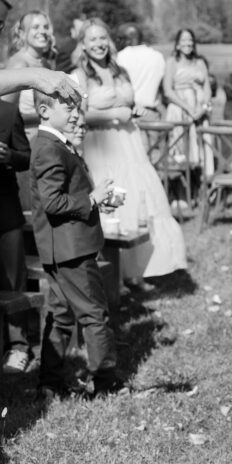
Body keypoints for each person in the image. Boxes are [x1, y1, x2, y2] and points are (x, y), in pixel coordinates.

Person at [74, 18, 187, 284]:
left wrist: (134, 110)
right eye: (93, 39)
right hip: (101, 146)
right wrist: (117, 112)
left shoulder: (121, 70)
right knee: (110, 205)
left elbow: (129, 102)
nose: (99, 44)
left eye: (103, 38)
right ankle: (111, 274)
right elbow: (79, 115)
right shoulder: (79, 75)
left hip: (130, 143)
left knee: (138, 199)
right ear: (83, 45)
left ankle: (137, 271)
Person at [30, 87, 120, 399]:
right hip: (72, 250)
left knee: (61, 314)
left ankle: (50, 382)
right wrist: (91, 199)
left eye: (75, 108)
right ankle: (107, 383)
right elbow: (53, 202)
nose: (75, 114)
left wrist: (96, 203)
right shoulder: (49, 148)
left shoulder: (56, 144)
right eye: (67, 108)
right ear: (44, 112)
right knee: (95, 314)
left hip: (62, 248)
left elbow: (64, 197)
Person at [163, 28, 212, 207]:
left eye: (190, 40)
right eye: (183, 41)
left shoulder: (200, 63)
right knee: (181, 153)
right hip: (179, 111)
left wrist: (203, 106)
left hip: (200, 113)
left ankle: (202, 193)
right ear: (177, 44)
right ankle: (181, 194)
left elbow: (207, 87)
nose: (187, 44)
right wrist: (188, 108)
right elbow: (168, 90)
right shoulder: (171, 62)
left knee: (200, 151)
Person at [0, 97, 31, 375]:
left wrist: (10, 156)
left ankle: (19, 347)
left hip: (6, 212)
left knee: (14, 281)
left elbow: (26, 157)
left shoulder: (8, 112)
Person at [5, 10, 56, 131]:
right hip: (25, 135)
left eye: (45, 27)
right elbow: (5, 108)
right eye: (35, 27)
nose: (42, 31)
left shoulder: (46, 63)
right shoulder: (18, 64)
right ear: (22, 33)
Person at [116, 24, 166, 121]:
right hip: (152, 114)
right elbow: (162, 89)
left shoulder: (119, 57)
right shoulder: (158, 56)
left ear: (128, 40)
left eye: (120, 39)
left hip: (130, 114)